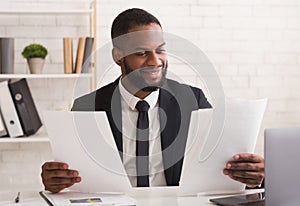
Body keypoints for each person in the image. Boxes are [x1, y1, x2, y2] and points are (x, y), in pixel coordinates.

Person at [41, 8, 264, 193]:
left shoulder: (193, 101)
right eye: (141, 53)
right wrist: (57, 181)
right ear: (118, 56)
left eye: (160, 50)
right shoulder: (85, 107)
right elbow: (76, 179)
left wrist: (252, 176)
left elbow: (219, 168)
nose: (155, 61)